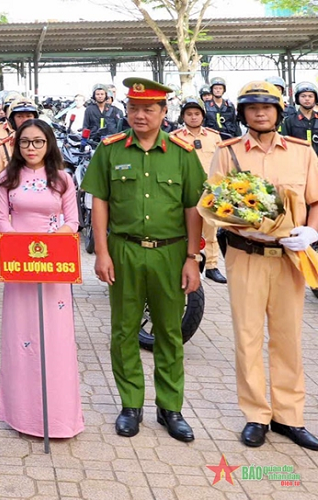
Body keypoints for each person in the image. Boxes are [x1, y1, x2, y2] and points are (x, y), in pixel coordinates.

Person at [81, 78, 205, 443]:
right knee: (123, 330)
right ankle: (130, 405)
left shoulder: (182, 153)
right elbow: (99, 202)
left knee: (169, 331)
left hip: (171, 252)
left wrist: (193, 257)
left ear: (164, 113)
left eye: (149, 109)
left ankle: (170, 408)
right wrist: (101, 252)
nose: (140, 115)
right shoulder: (111, 149)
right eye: (134, 108)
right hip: (125, 250)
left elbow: (193, 207)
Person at [210, 81, 318, 451]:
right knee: (248, 337)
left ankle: (290, 416)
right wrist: (243, 221)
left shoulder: (303, 152)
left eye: (267, 107)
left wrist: (310, 232)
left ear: (278, 112)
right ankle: (257, 414)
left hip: (290, 258)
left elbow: (315, 200)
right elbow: (213, 203)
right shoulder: (228, 153)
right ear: (242, 114)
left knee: (288, 338)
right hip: (246, 255)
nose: (260, 113)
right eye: (252, 108)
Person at [0, 119, 84, 438]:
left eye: (38, 142)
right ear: (17, 146)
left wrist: (50, 244)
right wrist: (20, 249)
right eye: (25, 143)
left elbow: (73, 221)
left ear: (49, 144)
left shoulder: (62, 179)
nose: (31, 148)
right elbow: (1, 218)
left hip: (54, 267)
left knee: (55, 342)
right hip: (19, 267)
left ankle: (59, 417)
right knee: (21, 341)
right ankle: (21, 415)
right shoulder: (7, 177)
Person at [171, 97, 226, 283]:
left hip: (210, 189)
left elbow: (221, 162)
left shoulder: (213, 136)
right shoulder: (175, 136)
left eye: (196, 114)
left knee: (211, 228)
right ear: (183, 116)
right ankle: (188, 261)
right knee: (185, 228)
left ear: (203, 115)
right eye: (189, 114)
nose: (193, 117)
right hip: (185, 190)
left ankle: (211, 265)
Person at [0, 98, 39, 187]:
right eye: (19, 116)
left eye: (29, 116)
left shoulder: (45, 144)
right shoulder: (4, 146)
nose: (24, 120)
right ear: (12, 119)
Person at [281, 81, 318, 156]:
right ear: (297, 99)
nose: (307, 99)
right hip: (298, 162)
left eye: (310, 96)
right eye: (303, 96)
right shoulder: (288, 121)